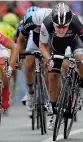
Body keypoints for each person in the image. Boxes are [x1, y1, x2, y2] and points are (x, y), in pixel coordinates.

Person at [39, 2, 83, 130]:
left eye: (65, 27)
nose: (61, 29)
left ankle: (81, 88)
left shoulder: (76, 23)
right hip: (57, 46)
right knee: (52, 74)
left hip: (76, 42)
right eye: (58, 27)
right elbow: (42, 45)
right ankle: (54, 111)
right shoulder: (46, 24)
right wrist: (48, 59)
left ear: (69, 22)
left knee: (80, 60)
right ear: (53, 22)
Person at [16, 7, 52, 117]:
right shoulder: (29, 22)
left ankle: (49, 96)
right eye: (37, 26)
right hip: (34, 40)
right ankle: (31, 92)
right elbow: (20, 40)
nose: (39, 27)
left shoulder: (52, 21)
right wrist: (20, 55)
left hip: (49, 39)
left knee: (48, 66)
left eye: (41, 25)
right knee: (29, 63)